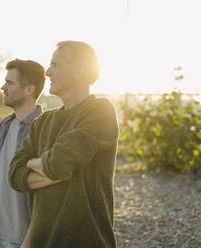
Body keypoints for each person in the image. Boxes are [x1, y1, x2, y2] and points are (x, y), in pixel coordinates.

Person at [9, 41, 119, 248]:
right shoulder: (42, 122)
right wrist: (50, 167)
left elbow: (59, 163)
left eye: (56, 65)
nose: (48, 72)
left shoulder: (100, 111)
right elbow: (14, 175)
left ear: (79, 71)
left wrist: (32, 164)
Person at [0, 58, 49, 248]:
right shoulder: (4, 124)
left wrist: (33, 239)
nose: (3, 87)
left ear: (29, 89)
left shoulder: (43, 128)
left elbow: (46, 191)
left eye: (10, 82)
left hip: (22, 239)